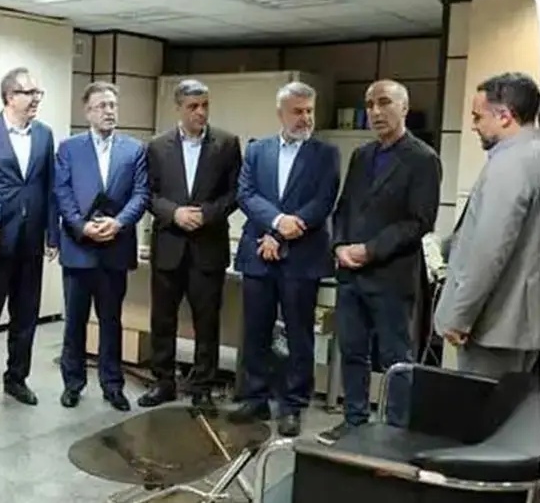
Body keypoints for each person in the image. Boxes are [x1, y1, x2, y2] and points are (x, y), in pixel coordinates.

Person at [320, 79, 441, 444]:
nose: (375, 111)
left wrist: (369, 250)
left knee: (395, 359)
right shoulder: (362, 156)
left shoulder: (423, 159)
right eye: (370, 104)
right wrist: (339, 246)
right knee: (352, 351)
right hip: (350, 275)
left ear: (403, 107)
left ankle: (395, 431)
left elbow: (419, 221)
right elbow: (344, 208)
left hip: (391, 275)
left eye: (384, 102)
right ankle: (354, 421)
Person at [228, 82, 340, 437]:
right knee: (256, 330)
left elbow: (323, 200)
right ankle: (255, 397)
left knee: (298, 333)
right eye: (297, 111)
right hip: (259, 253)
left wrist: (284, 231)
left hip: (301, 257)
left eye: (309, 111)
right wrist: (276, 224)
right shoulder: (257, 150)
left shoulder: (326, 154)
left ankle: (292, 404)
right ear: (280, 113)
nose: (305, 118)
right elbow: (246, 194)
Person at [139, 79, 241, 411]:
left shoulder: (227, 144)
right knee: (163, 319)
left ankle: (202, 387)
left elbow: (235, 192)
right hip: (169, 245)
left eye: (205, 105)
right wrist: (174, 213)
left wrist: (206, 214)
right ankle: (163, 382)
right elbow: (147, 194)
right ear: (179, 108)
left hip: (207, 246)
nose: (200, 112)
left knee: (206, 321)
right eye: (193, 106)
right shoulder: (157, 146)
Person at [435, 72, 540, 377]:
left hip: (496, 326)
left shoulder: (509, 165)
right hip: (527, 325)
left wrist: (460, 316)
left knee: (484, 405)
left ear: (505, 116)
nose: (474, 126)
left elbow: (489, 251)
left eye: (478, 117)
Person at [0, 67, 57, 414]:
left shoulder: (44, 134)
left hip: (31, 239)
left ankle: (17, 378)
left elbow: (49, 185)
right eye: (29, 93)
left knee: (26, 314)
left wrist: (52, 233)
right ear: (9, 96)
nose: (35, 99)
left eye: (37, 93)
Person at [55, 81, 149, 411]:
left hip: (115, 247)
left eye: (113, 105)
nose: (109, 111)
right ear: (87, 112)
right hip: (79, 248)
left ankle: (112, 385)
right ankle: (73, 383)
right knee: (75, 321)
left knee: (111, 321)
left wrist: (119, 223)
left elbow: (141, 193)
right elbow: (62, 192)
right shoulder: (69, 148)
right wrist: (81, 227)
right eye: (101, 106)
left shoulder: (134, 149)